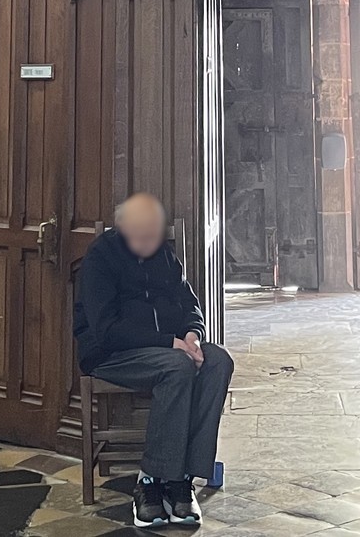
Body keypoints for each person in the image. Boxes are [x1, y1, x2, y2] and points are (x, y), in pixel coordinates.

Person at [75, 194, 234, 528]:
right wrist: (170, 343)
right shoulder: (101, 257)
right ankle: (150, 482)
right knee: (177, 367)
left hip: (167, 348)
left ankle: (181, 481)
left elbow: (188, 303)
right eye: (140, 234)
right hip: (112, 354)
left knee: (218, 361)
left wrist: (192, 334)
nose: (149, 241)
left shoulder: (165, 255)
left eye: (153, 233)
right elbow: (106, 331)